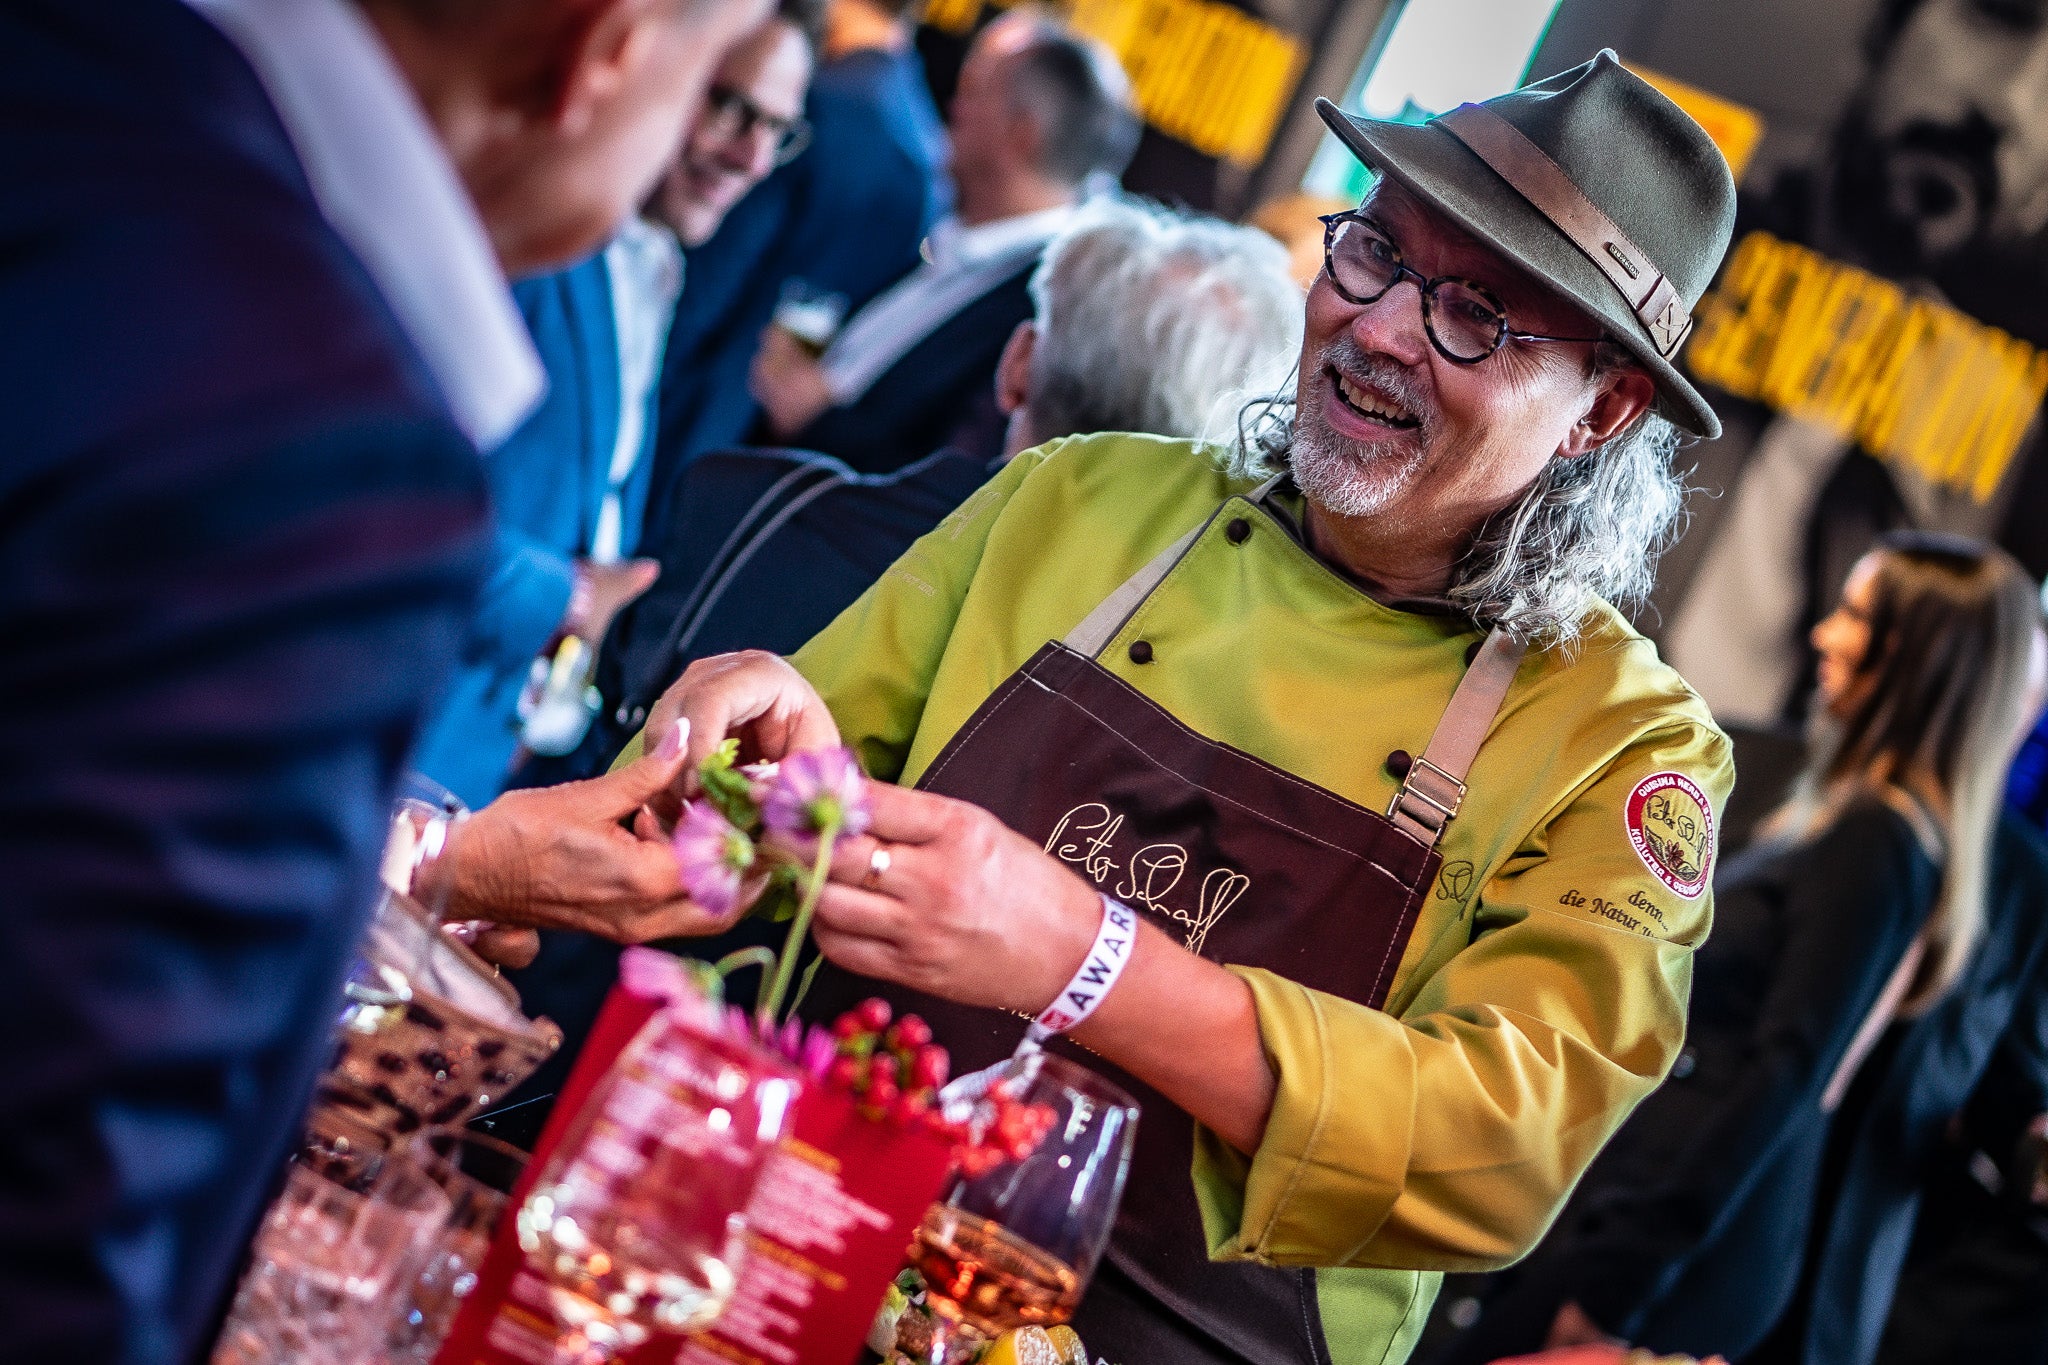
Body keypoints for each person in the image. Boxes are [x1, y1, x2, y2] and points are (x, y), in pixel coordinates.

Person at [607, 52, 1740, 1365]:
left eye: (1476, 315)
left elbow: (1501, 1147)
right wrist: (744, 749)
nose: (1375, 329)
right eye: (1372, 253)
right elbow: (768, 817)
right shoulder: (1086, 501)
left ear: (1601, 408)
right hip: (791, 1267)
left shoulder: (1622, 745)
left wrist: (1086, 957)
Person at [0, 0, 769, 1358]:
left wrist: (443, 861)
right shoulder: (315, 437)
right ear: (602, 52)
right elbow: (66, 1183)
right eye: (709, 77)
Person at [487, 200, 1303, 1141]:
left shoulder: (747, 499)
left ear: (1018, 364)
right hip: (840, 1124)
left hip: (588, 1062)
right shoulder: (1202, 716)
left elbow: (618, 787)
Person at [1426, 534, 2047, 1365]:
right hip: (1670, 1222)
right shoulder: (1869, 825)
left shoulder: (1879, 845)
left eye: (1859, 616)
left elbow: (1782, 1076)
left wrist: (1621, 1286)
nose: (1826, 633)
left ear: (1920, 662)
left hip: (1676, 1247)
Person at [411, 0, 826, 810]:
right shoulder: (534, 233)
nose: (750, 156)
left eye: (778, 129)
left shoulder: (651, 260)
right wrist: (565, 597)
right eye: (730, 106)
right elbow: (377, 497)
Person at [747, 10, 1140, 471]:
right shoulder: (947, 233)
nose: (954, 106)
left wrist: (818, 419)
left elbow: (958, 477)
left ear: (1022, 134)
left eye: (976, 91)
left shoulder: (1051, 310)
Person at [648, 0, 951, 497]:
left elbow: (711, 276)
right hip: (749, 448)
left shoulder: (817, 98)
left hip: (679, 397)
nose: (756, 156)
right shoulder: (924, 145)